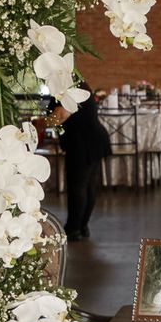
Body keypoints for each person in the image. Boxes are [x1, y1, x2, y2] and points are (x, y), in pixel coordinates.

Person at [56, 93, 111, 240]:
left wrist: (40, 124)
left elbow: (61, 114)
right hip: (92, 139)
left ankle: (74, 228)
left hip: (83, 143)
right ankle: (82, 226)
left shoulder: (68, 89)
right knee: (88, 186)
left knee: (78, 187)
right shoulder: (80, 86)